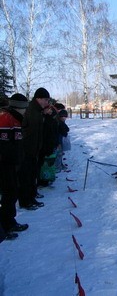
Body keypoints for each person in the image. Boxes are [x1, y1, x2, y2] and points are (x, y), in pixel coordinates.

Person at [0, 93, 30, 239]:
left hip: (12, 163)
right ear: (19, 107)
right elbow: (4, 145)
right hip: (5, 164)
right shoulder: (6, 118)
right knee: (8, 194)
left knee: (11, 193)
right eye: (24, 108)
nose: (25, 111)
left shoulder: (17, 119)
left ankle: (9, 222)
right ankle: (5, 226)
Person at [18, 87, 51, 210]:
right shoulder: (30, 111)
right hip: (27, 150)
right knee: (26, 177)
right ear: (39, 98)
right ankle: (25, 201)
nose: (47, 102)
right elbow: (27, 132)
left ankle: (31, 197)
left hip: (34, 149)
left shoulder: (37, 111)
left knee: (32, 175)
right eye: (46, 99)